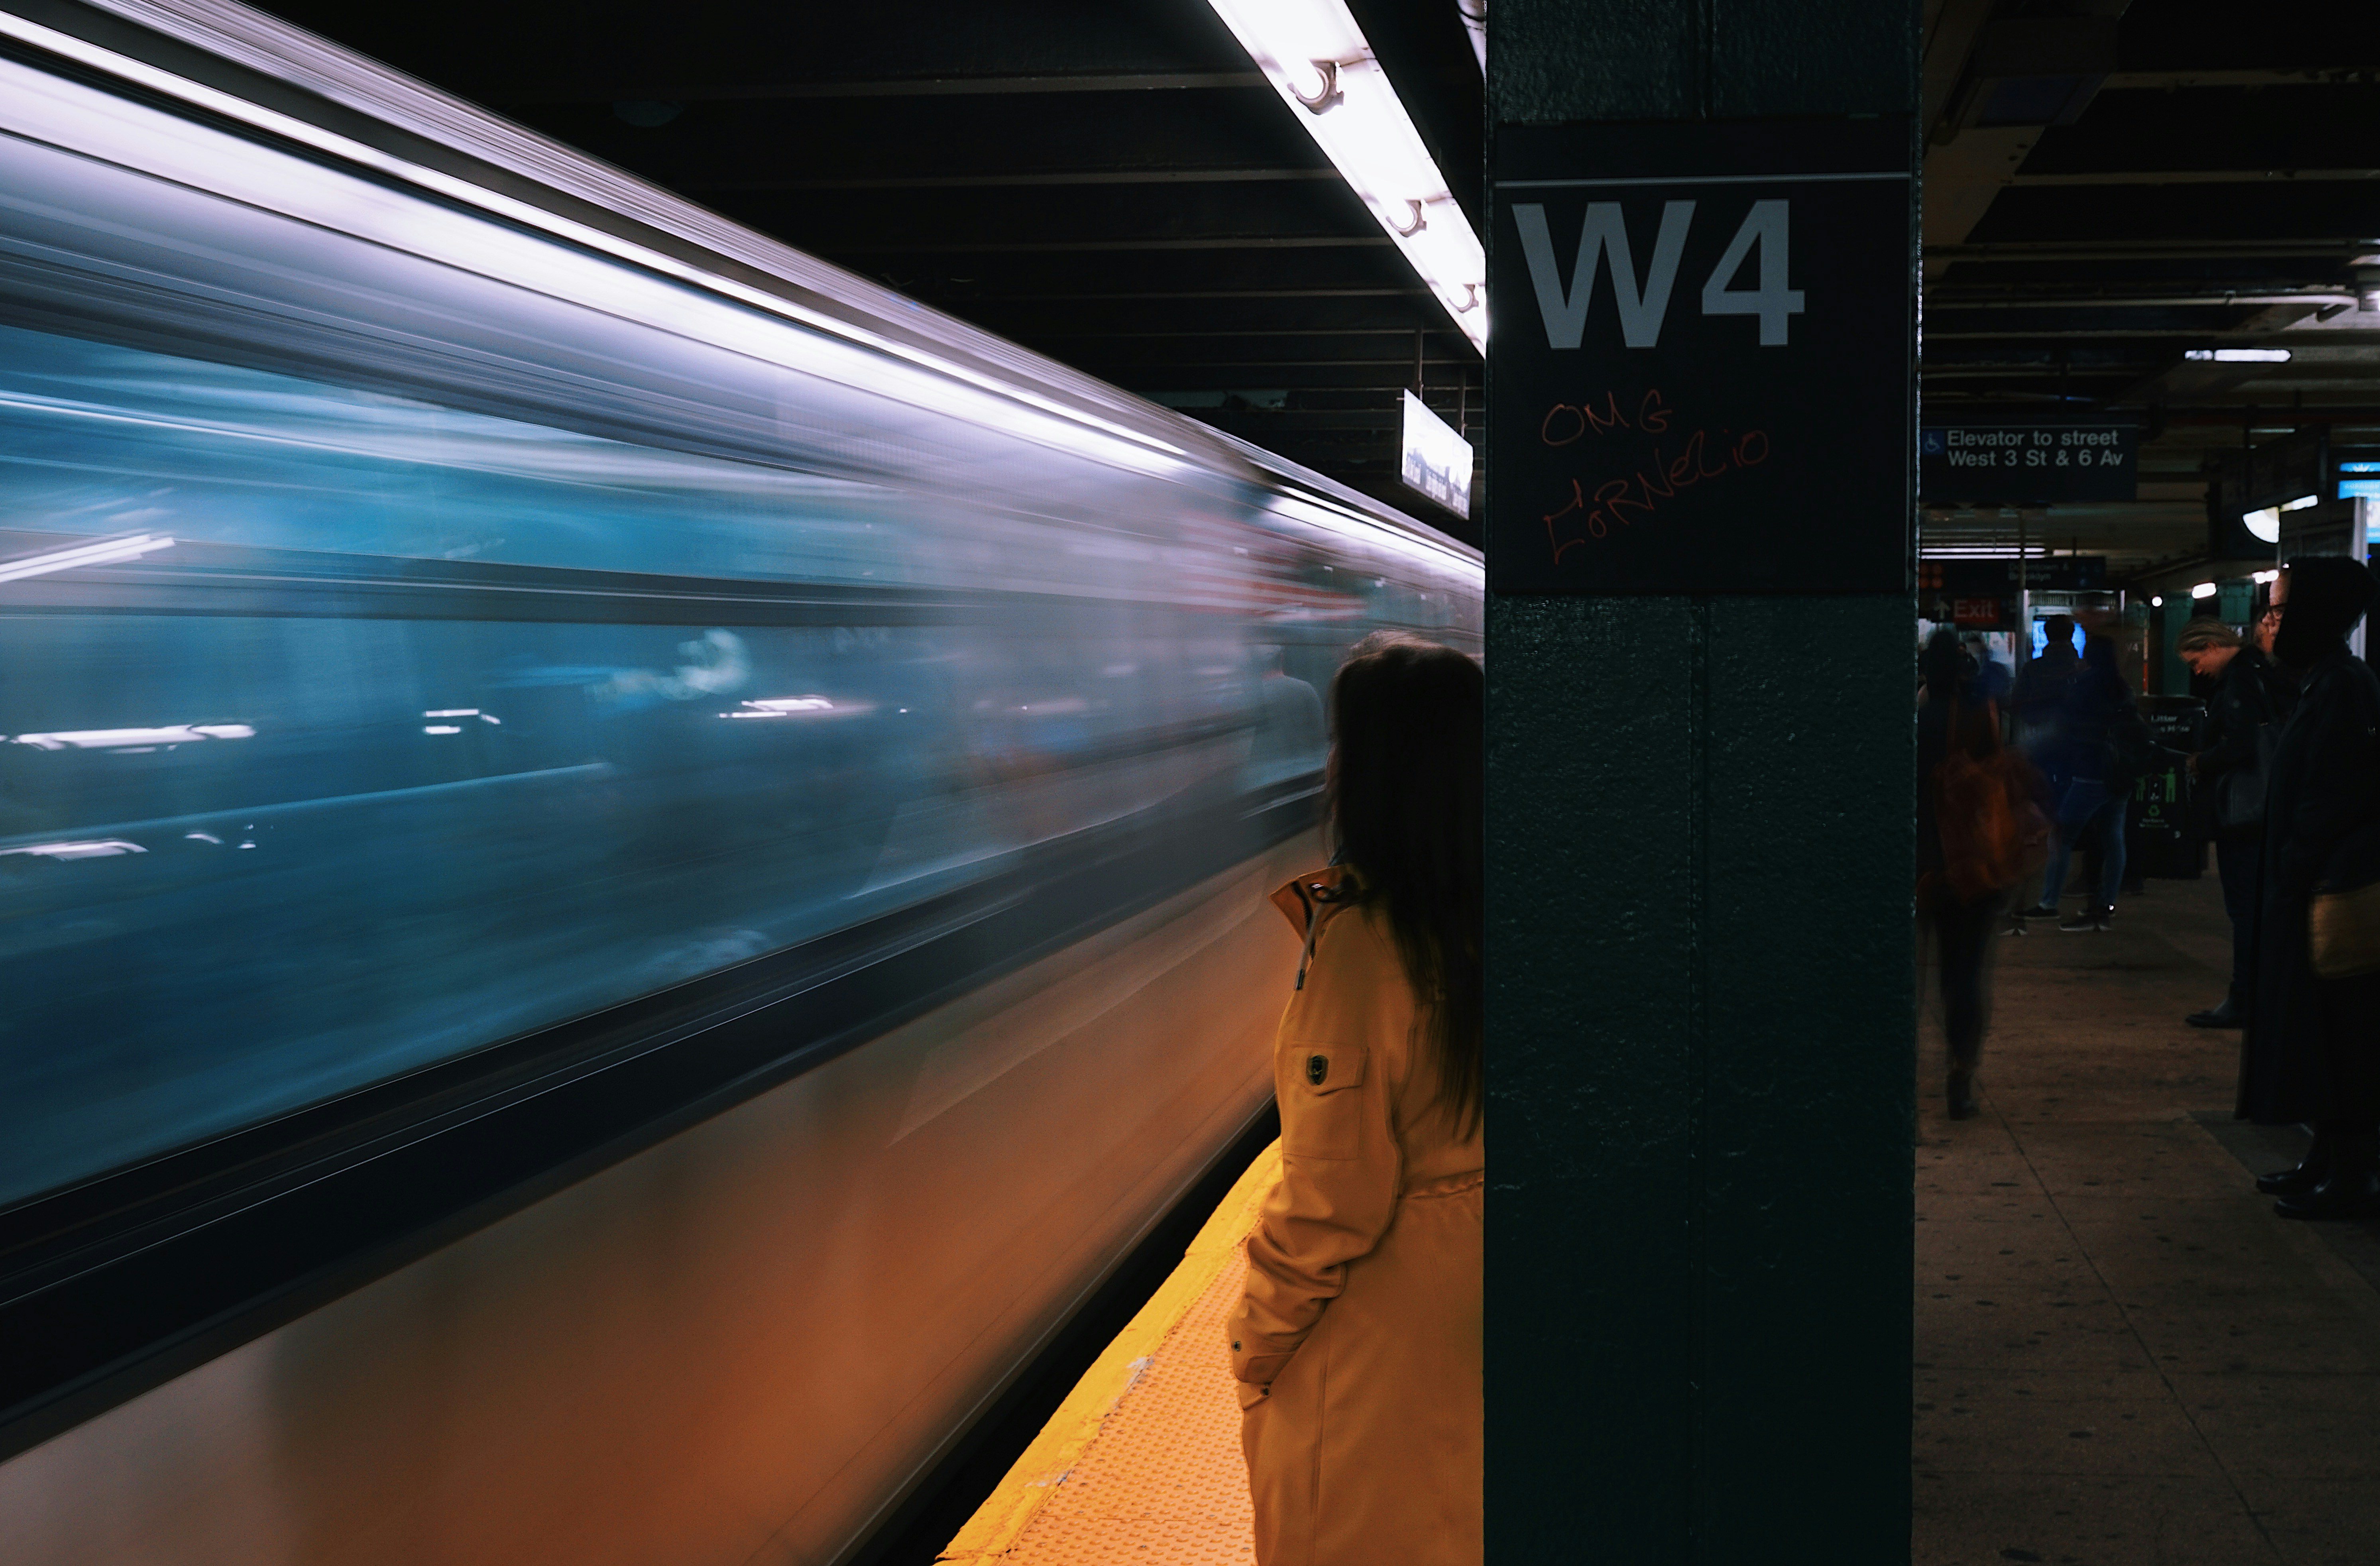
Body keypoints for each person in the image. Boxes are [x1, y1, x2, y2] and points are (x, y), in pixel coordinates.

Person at [1230, 636, 1484, 1566]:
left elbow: (1334, 1200)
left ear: (1373, 769)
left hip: (1376, 1355)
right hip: (1470, 1316)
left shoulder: (1366, 946)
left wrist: (1256, 1341)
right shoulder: (1495, 915)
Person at [2237, 557, 2380, 1220]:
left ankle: (2350, 1170)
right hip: (2309, 880)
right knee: (2321, 1030)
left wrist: (2298, 861)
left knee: (2340, 1031)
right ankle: (2326, 1156)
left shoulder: (2344, 685)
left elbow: (2335, 788)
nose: (2274, 619)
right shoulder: (2325, 680)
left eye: (2285, 606)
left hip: (2326, 888)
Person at [1918, 629, 2024, 1118]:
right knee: (1964, 979)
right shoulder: (1984, 717)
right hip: (1974, 867)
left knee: (1908, 979)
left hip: (1921, 866)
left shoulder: (1916, 718)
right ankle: (1960, 1077)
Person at [2178, 619, 2294, 1027]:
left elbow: (2241, 744)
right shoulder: (2264, 672)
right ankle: (2265, 995)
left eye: (2196, 660)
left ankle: (2243, 996)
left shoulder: (2240, 680)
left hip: (2243, 812)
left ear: (2213, 646)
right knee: (2260, 907)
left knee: (2244, 908)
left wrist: (2201, 761)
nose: (2197, 671)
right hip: (2268, 809)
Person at [2033, 636, 2175, 931]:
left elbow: (2067, 728)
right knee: (2113, 838)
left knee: (2061, 836)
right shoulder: (2123, 687)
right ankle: (2105, 905)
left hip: (2090, 771)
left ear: (2087, 658)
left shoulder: (2084, 686)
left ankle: (2048, 904)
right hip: (2119, 773)